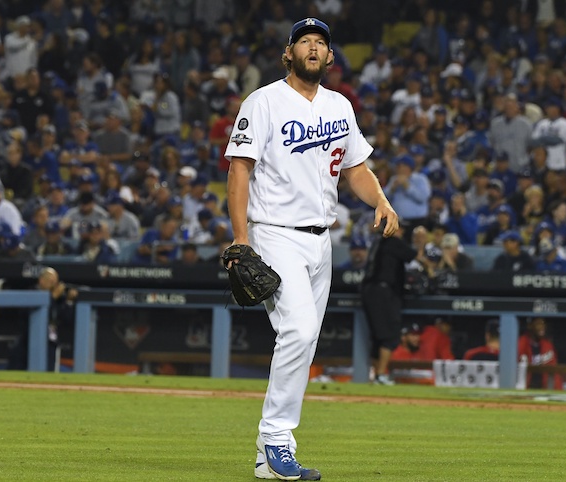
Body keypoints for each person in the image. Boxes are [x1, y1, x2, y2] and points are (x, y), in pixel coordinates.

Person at [223, 17, 398, 481]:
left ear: (331, 56)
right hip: (274, 231)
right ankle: (278, 439)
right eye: (305, 42)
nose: (314, 48)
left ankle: (267, 455)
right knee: (298, 331)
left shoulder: (340, 106)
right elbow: (239, 170)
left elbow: (355, 169)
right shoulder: (263, 102)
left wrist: (379, 199)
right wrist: (241, 238)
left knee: (304, 340)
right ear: (289, 53)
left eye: (321, 43)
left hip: (322, 241)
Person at [362, 223, 418, 386]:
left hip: (370, 290)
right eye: (399, 228)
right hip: (383, 292)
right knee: (390, 334)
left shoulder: (377, 242)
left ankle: (376, 374)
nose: (402, 232)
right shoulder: (392, 241)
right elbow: (413, 255)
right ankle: (380, 375)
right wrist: (420, 245)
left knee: (377, 335)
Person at [518, 317, 561, 390]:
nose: (542, 327)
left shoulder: (547, 345)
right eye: (538, 324)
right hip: (525, 388)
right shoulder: (521, 343)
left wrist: (558, 390)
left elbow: (554, 371)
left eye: (543, 324)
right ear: (530, 326)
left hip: (543, 390)